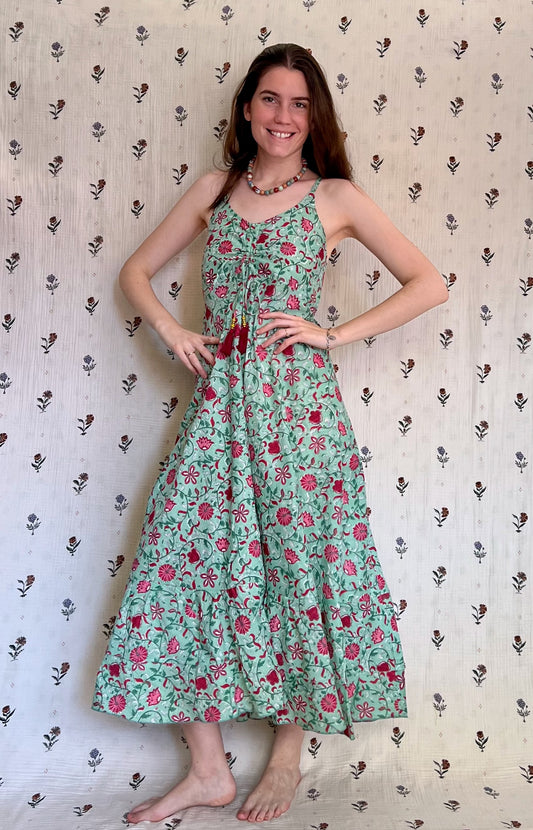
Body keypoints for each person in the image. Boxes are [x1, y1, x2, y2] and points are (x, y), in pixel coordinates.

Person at [92, 43, 447, 825]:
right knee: (179, 566)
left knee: (298, 568)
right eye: (269, 99)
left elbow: (428, 283)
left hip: (299, 415)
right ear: (246, 108)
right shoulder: (213, 190)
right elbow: (134, 273)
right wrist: (171, 331)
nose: (283, 116)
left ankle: (287, 756)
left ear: (313, 117)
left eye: (298, 103)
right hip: (219, 411)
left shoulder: (335, 196)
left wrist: (331, 335)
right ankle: (208, 771)